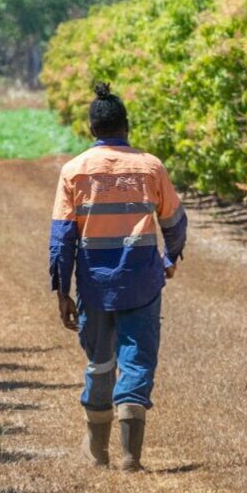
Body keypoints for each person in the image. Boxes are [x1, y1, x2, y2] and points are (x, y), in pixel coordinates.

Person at [49, 83, 188, 471]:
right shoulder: (150, 167)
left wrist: (63, 291)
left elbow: (62, 238)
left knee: (100, 361)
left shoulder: (74, 171)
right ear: (127, 126)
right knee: (138, 360)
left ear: (92, 130)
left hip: (94, 284)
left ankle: (97, 452)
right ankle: (130, 455)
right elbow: (174, 222)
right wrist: (170, 257)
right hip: (142, 282)